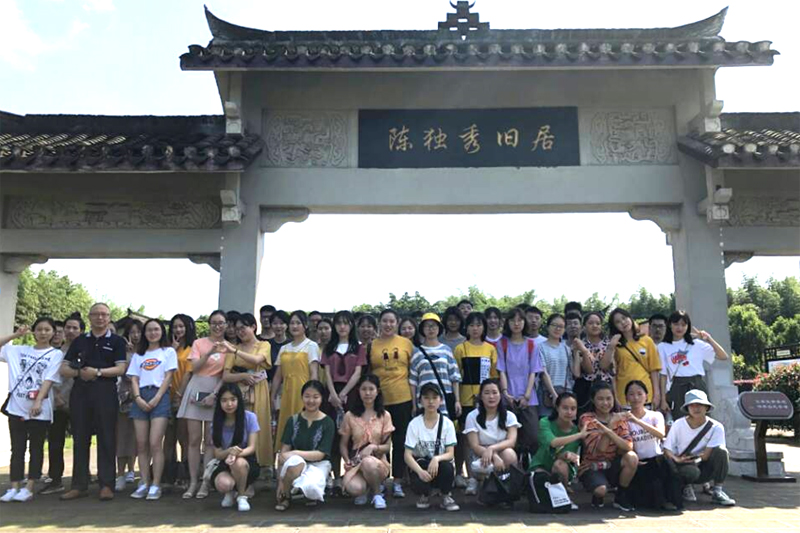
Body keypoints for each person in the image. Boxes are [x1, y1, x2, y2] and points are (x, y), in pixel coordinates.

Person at [60, 302, 128, 502]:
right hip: (80, 392)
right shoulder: (79, 341)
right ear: (89, 317)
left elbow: (121, 369)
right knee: (80, 438)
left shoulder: (117, 341)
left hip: (105, 392)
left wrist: (97, 372)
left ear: (109, 318)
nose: (100, 318)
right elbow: (64, 369)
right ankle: (79, 485)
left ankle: (106, 485)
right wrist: (80, 373)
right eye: (96, 314)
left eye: (104, 314)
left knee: (107, 438)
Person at [0, 319, 64, 503]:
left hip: (39, 409)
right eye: (39, 329)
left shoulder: (55, 354)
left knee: (36, 448)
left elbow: (49, 379)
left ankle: (29, 487)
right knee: (17, 448)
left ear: (53, 333)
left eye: (47, 330)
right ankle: (14, 486)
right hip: (16, 407)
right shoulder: (18, 350)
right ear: (33, 331)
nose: (43, 333)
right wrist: (16, 335)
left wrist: (38, 401)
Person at [177, 309, 227, 500]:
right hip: (196, 387)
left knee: (210, 441)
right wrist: (210, 353)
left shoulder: (229, 347)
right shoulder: (199, 343)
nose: (217, 326)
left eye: (221, 323)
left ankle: (206, 481)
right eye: (214, 323)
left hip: (216, 391)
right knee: (193, 440)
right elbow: (194, 367)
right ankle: (193, 482)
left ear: (226, 325)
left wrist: (215, 394)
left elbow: (225, 374)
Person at [126, 319, 177, 500]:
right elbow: (133, 378)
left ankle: (156, 484)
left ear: (162, 332)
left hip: (160, 396)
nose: (152, 333)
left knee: (155, 443)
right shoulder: (138, 355)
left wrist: (157, 398)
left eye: (156, 329)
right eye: (149, 330)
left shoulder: (168, 352)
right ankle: (144, 482)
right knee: (141, 444)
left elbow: (168, 377)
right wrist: (137, 398)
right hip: (140, 396)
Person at [367, 309, 414, 499]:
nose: (388, 324)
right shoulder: (372, 345)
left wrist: (415, 401)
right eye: (385, 321)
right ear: (379, 323)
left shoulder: (406, 343)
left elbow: (413, 372)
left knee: (400, 442)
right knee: (379, 441)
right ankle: (379, 481)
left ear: (397, 322)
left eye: (392, 321)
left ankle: (398, 481)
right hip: (380, 400)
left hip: (403, 398)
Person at [220, 313, 273, 476]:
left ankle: (263, 464)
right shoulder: (234, 348)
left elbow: (257, 360)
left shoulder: (263, 345)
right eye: (237, 329)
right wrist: (242, 376)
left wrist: (235, 351)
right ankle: (239, 463)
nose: (240, 332)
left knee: (260, 423)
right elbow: (225, 376)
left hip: (259, 388)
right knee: (240, 425)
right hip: (239, 392)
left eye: (243, 328)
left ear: (253, 327)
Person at [663, 389, 735, 506]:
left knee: (722, 452)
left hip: (702, 464)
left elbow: (706, 455)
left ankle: (717, 491)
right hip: (682, 464)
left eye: (700, 405)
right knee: (691, 471)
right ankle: (685, 486)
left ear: (706, 407)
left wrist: (694, 460)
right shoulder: (678, 424)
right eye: (692, 405)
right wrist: (677, 459)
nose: (696, 408)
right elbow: (667, 449)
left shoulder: (716, 427)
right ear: (687, 408)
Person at [453, 311, 498, 495]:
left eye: (479, 325)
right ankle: (468, 476)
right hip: (465, 399)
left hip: (486, 399)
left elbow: (493, 376)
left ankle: (485, 475)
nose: (475, 328)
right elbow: (456, 377)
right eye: (471, 325)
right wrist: (457, 399)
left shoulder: (490, 349)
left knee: (485, 437)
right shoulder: (460, 348)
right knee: (466, 439)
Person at [321, 311, 367, 489]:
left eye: (346, 323)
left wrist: (344, 392)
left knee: (353, 434)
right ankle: (335, 477)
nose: (342, 327)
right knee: (333, 434)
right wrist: (333, 394)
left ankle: (352, 474)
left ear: (351, 326)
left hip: (352, 393)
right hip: (331, 394)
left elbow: (358, 372)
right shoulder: (329, 347)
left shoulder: (358, 347)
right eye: (339, 323)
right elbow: (326, 372)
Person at [275, 380, 336, 511]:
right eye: (307, 396)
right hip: (296, 464)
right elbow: (284, 453)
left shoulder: (328, 422)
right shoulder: (293, 420)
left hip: (318, 464)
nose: (311, 401)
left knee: (312, 488)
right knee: (295, 462)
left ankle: (307, 490)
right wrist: (280, 482)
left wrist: (295, 452)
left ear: (322, 398)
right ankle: (286, 495)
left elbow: (320, 454)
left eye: (315, 397)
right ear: (302, 397)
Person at [40, 312, 84, 495]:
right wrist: (56, 396)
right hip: (57, 403)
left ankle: (80, 480)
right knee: (55, 443)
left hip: (79, 403)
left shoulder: (85, 351)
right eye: (68, 327)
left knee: (81, 442)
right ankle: (55, 479)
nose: (71, 331)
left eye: (75, 328)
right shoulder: (55, 353)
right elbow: (46, 377)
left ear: (81, 331)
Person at [578, 381, 638, 512]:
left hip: (612, 464)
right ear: (593, 400)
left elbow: (628, 446)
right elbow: (601, 449)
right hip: (592, 466)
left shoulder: (619, 418)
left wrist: (611, 428)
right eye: (600, 399)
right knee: (600, 490)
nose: (605, 403)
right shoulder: (587, 419)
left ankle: (621, 496)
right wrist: (610, 425)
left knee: (632, 457)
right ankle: (597, 495)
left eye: (608, 398)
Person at [658, 311, 729, 420]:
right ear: (670, 325)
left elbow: (723, 356)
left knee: (702, 420)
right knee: (681, 420)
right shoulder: (663, 346)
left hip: (697, 384)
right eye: (676, 324)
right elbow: (663, 375)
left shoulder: (697, 344)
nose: (679, 328)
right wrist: (663, 400)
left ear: (688, 326)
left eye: (683, 325)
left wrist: (709, 338)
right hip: (677, 386)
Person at [622, 380, 681, 511]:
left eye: (639, 394)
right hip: (638, 462)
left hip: (656, 460)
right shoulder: (624, 419)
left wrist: (637, 421)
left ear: (646, 396)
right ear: (626, 398)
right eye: (631, 394)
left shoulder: (655, 416)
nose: (636, 398)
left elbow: (660, 434)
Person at [339, 374, 394, 509]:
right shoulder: (350, 415)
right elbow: (343, 444)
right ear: (358, 391)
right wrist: (347, 461)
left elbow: (387, 447)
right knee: (354, 488)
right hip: (356, 463)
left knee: (368, 462)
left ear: (377, 391)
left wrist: (373, 447)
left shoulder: (384, 415)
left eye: (371, 389)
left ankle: (377, 494)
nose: (367, 393)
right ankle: (366, 488)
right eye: (364, 389)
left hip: (378, 463)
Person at [404, 382, 460, 511]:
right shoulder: (414, 424)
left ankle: (446, 495)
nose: (431, 402)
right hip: (422, 464)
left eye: (435, 398)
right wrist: (420, 471)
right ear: (420, 401)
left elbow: (450, 453)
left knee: (447, 467)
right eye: (426, 398)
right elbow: (407, 455)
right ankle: (424, 494)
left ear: (440, 400)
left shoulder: (447, 424)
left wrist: (436, 459)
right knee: (417, 476)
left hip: (440, 465)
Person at [271, 310, 320, 449]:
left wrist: (312, 397)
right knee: (286, 426)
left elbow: (314, 373)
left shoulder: (311, 346)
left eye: (298, 323)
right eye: (292, 323)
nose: (294, 326)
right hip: (286, 393)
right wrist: (272, 396)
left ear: (305, 325)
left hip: (304, 393)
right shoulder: (284, 348)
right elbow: (278, 376)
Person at [463, 379, 519, 501]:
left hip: (501, 452)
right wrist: (493, 455)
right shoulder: (472, 416)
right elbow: (474, 445)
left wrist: (492, 449)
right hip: (480, 455)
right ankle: (481, 484)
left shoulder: (509, 416)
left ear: (500, 395)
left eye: (494, 392)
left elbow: (511, 441)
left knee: (509, 454)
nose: (491, 396)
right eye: (487, 393)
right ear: (481, 396)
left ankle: (505, 490)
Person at [496, 307, 542, 455]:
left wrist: (527, 395)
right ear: (507, 323)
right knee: (509, 439)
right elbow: (502, 370)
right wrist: (505, 393)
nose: (516, 324)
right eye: (512, 320)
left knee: (533, 437)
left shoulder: (532, 344)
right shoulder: (502, 343)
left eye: (520, 320)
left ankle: (530, 467)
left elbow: (533, 371)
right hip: (508, 398)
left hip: (529, 398)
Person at [210, 383, 260, 512]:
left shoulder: (250, 417)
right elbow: (218, 454)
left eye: (233, 399)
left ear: (239, 400)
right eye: (224, 400)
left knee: (238, 463)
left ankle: (242, 496)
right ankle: (231, 491)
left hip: (246, 460)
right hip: (225, 462)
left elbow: (252, 447)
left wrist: (236, 453)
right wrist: (229, 451)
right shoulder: (216, 422)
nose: (229, 404)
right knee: (224, 484)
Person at [529, 391, 582, 509]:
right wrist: (580, 435)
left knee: (560, 465)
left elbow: (561, 457)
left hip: (563, 467)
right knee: (540, 477)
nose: (569, 412)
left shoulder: (577, 429)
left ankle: (564, 498)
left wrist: (567, 455)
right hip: (542, 464)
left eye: (573, 409)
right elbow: (553, 443)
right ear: (557, 408)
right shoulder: (545, 422)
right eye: (565, 408)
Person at [602, 308, 661, 409]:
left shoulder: (647, 340)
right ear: (614, 326)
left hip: (645, 392)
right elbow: (607, 368)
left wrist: (657, 394)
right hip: (623, 394)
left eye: (624, 318)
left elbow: (654, 370)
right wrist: (611, 346)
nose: (623, 322)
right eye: (618, 322)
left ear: (630, 318)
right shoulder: (615, 344)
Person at [409, 313, 462, 421]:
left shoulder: (446, 350)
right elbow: (413, 382)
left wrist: (457, 400)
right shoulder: (417, 352)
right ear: (422, 329)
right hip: (424, 401)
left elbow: (454, 377)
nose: (431, 329)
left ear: (439, 328)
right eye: (427, 326)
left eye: (434, 326)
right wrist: (414, 405)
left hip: (444, 400)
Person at [163, 314, 195, 487]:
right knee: (168, 438)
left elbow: (188, 373)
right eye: (175, 326)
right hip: (165, 397)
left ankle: (185, 474)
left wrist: (179, 394)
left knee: (184, 437)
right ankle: (167, 475)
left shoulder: (192, 348)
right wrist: (171, 350)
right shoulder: (167, 349)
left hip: (184, 397)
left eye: (181, 326)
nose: (178, 330)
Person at [536, 314, 580, 419]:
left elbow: (576, 373)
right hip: (547, 393)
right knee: (547, 422)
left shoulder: (566, 348)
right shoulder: (540, 347)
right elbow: (543, 373)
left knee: (565, 423)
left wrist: (576, 352)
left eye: (561, 326)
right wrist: (554, 394)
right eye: (554, 325)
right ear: (548, 327)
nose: (557, 329)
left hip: (566, 392)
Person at [115, 319, 142, 492]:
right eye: (132, 332)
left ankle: (132, 470)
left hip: (141, 399)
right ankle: (120, 473)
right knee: (121, 435)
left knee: (136, 437)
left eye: (138, 332)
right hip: (123, 398)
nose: (136, 335)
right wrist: (130, 355)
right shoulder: (123, 352)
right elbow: (126, 374)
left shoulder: (148, 352)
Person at [573, 312, 613, 414]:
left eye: (598, 323)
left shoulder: (609, 344)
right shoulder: (580, 344)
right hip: (586, 387)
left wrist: (611, 347)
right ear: (584, 326)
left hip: (605, 386)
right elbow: (589, 370)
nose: (595, 326)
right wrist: (584, 351)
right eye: (591, 323)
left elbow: (605, 366)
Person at [268, 310, 291, 382]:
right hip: (270, 382)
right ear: (271, 325)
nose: (278, 326)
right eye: (275, 323)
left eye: (282, 323)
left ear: (287, 325)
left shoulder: (292, 344)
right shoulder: (267, 345)